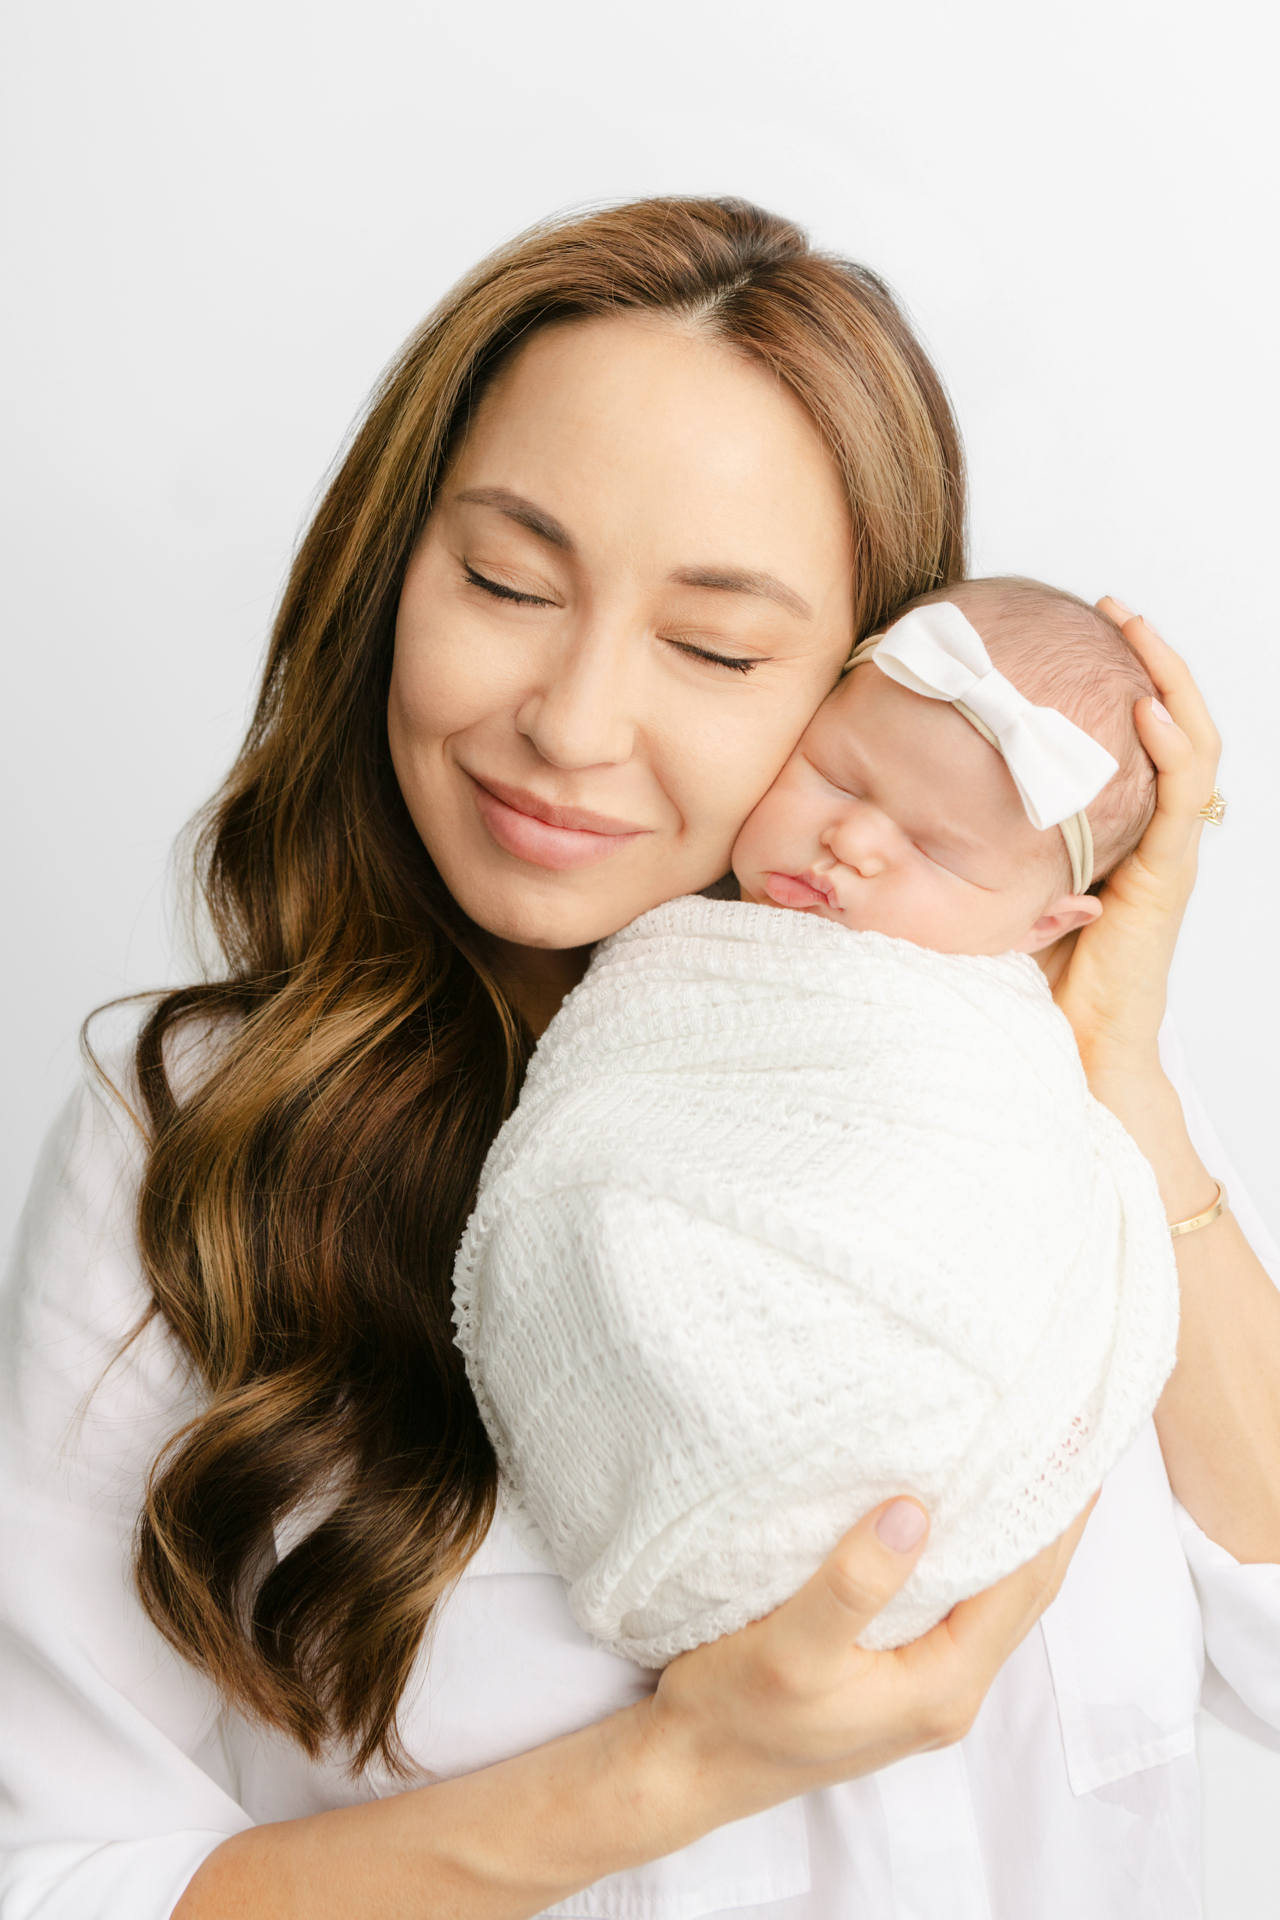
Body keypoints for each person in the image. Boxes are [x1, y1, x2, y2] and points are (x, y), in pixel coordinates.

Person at [1, 197, 1277, 1920]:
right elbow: (62, 1876)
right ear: (388, 578)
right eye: (510, 581)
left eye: (718, 647)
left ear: (874, 679)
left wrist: (1124, 1068)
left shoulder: (1034, 1121)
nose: (575, 723)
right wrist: (680, 1772)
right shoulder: (198, 1152)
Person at [455, 579, 1182, 1669]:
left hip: (898, 1449)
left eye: (936, 853)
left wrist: (1116, 1044)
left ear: (1042, 926)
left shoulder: (1010, 1071)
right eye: (833, 774)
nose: (849, 841)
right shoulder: (684, 964)